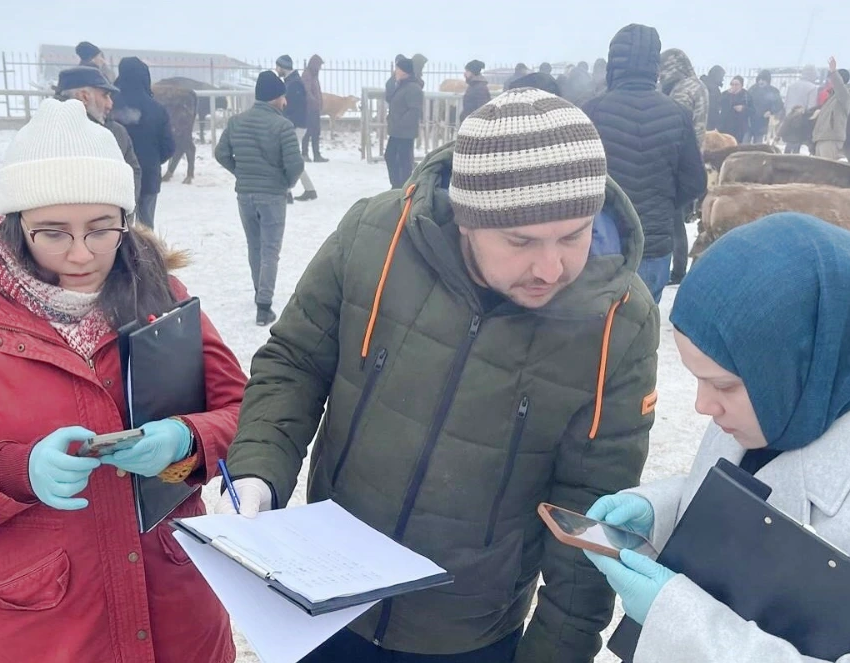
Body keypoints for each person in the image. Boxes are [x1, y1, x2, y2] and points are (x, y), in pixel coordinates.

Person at [219, 87, 660, 663]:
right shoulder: (374, 237)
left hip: (470, 635)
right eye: (522, 241)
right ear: (467, 220)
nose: (551, 268)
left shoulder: (620, 320)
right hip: (326, 603)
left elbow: (588, 513)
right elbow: (296, 362)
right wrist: (258, 470)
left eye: (574, 235)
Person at [0, 97, 247, 663]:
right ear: (17, 224)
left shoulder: (162, 297)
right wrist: (13, 472)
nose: (81, 254)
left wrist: (187, 439)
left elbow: (246, 415)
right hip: (43, 630)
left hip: (179, 617)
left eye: (102, 229)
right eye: (53, 233)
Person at [584, 213, 850, 663]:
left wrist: (684, 627)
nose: (702, 406)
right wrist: (661, 512)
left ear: (807, 362)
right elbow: (757, 486)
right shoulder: (793, 395)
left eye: (723, 385)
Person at [583, 24, 707, 304]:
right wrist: (663, 202)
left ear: (614, 63)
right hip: (654, 244)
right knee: (643, 321)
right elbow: (695, 182)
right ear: (655, 67)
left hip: (602, 244)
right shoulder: (677, 114)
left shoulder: (592, 111)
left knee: (597, 324)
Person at [215, 71, 304, 327]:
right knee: (270, 250)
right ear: (276, 97)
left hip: (245, 194)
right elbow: (295, 165)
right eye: (283, 96)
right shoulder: (283, 126)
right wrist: (286, 183)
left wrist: (240, 172)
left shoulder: (236, 122)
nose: (285, 101)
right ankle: (264, 307)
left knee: (254, 246)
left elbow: (221, 153)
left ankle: (258, 291)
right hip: (272, 195)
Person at [55, 66, 141, 208]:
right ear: (84, 96)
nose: (110, 104)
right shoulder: (49, 133)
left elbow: (133, 172)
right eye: (105, 96)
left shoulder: (116, 132)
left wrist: (123, 210)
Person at [658, 48, 709, 287]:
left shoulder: (684, 89)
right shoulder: (696, 86)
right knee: (675, 219)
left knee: (673, 221)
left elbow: (671, 124)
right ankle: (678, 268)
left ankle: (676, 269)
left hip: (676, 160)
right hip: (688, 158)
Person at [111, 57, 175, 228]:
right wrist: (153, 160)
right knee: (145, 228)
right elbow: (169, 147)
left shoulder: (109, 105)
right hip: (149, 175)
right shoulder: (157, 109)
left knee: (118, 225)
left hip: (115, 177)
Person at [276, 55, 317, 201]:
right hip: (295, 125)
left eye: (278, 66)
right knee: (293, 158)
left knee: (288, 158)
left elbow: (291, 107)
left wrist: (285, 122)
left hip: (295, 126)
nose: (276, 69)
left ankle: (287, 193)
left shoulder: (294, 84)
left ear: (283, 67)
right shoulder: (291, 82)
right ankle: (308, 190)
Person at [384, 55, 423, 189]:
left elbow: (414, 111)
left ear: (405, 71)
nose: (395, 71)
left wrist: (400, 124)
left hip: (404, 132)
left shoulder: (413, 88)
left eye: (398, 69)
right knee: (390, 156)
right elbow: (389, 97)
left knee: (403, 161)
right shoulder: (401, 85)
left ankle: (402, 187)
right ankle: (396, 186)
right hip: (397, 131)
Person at [813, 57, 850, 161]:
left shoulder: (845, 95)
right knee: (819, 168)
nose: (830, 81)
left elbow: (839, 86)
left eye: (832, 79)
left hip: (831, 138)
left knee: (826, 168)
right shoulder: (832, 97)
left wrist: (833, 72)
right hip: (822, 138)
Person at [783, 65, 819, 154]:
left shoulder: (792, 86)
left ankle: (784, 158)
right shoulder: (812, 88)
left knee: (789, 142)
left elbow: (786, 103)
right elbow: (811, 107)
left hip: (789, 117)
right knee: (797, 143)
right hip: (801, 119)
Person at [300, 55, 327, 163]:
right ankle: (305, 153)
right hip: (309, 108)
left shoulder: (314, 75)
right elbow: (307, 91)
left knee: (316, 132)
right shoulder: (307, 75)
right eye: (319, 65)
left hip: (315, 108)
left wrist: (319, 103)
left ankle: (316, 155)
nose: (320, 67)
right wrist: (314, 101)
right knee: (308, 132)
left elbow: (316, 91)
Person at [747, 70, 784, 144]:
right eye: (759, 79)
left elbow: (779, 104)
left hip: (763, 121)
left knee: (758, 143)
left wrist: (771, 111)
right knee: (745, 142)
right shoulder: (752, 89)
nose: (761, 82)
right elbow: (746, 101)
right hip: (750, 120)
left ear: (768, 81)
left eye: (763, 80)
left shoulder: (773, 91)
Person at [719, 76, 752, 144]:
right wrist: (728, 94)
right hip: (725, 126)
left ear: (741, 85)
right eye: (732, 84)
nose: (734, 86)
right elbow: (719, 103)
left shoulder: (746, 95)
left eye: (736, 84)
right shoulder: (725, 93)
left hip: (739, 127)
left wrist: (743, 108)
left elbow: (752, 110)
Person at [700, 65, 725, 130]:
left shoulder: (702, 83)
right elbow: (713, 108)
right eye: (722, 77)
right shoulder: (713, 89)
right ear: (717, 76)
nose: (722, 79)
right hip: (708, 121)